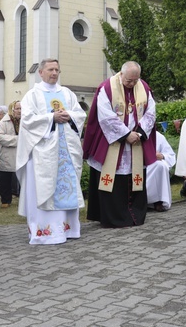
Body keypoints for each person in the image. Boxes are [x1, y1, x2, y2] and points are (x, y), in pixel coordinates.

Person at [15, 59, 86, 244]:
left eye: (56, 69)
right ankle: (46, 233)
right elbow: (28, 120)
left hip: (66, 151)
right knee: (45, 189)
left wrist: (68, 115)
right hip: (43, 154)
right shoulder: (32, 95)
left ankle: (67, 230)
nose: (54, 73)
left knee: (66, 187)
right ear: (41, 72)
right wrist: (51, 117)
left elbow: (80, 114)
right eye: (50, 69)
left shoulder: (67, 93)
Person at [83, 61, 156, 228]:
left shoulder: (143, 87)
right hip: (113, 141)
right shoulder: (107, 88)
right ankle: (113, 218)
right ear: (121, 74)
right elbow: (105, 116)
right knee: (112, 179)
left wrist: (139, 133)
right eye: (129, 80)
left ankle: (134, 215)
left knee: (134, 177)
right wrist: (125, 134)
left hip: (136, 140)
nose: (132, 84)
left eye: (135, 80)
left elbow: (151, 112)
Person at [0, 101, 21, 209]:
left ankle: (24, 199)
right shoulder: (3, 122)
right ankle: (5, 200)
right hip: (7, 154)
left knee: (23, 178)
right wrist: (17, 140)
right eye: (17, 108)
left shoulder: (25, 121)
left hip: (21, 153)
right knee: (6, 178)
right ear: (12, 109)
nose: (20, 111)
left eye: (21, 108)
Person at [146, 131, 176, 212]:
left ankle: (158, 201)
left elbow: (170, 155)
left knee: (160, 166)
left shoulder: (158, 136)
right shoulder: (133, 135)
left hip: (153, 166)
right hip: (136, 166)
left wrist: (162, 156)